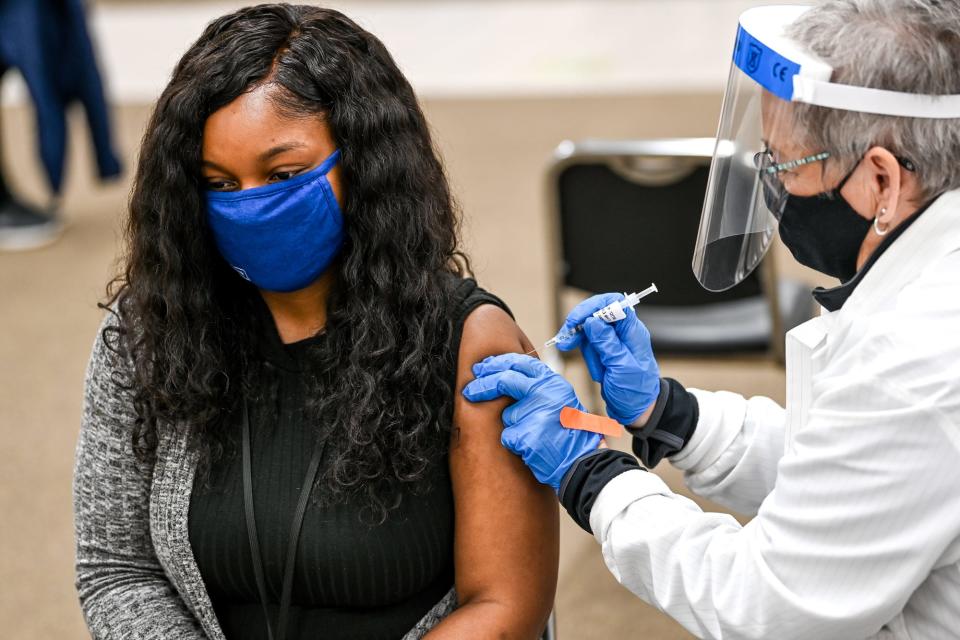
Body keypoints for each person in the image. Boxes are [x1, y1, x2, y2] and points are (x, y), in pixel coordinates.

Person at [464, 2, 960, 639]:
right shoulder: (926, 285)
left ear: (882, 181)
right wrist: (671, 416)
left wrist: (592, 475)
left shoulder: (914, 359)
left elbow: (764, 606)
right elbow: (852, 476)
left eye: (781, 166)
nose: (770, 189)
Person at [73, 5, 557, 640]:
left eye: (283, 175)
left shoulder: (468, 341)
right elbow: (117, 569)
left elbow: (505, 606)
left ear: (363, 164)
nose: (249, 204)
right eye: (220, 184)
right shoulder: (150, 331)